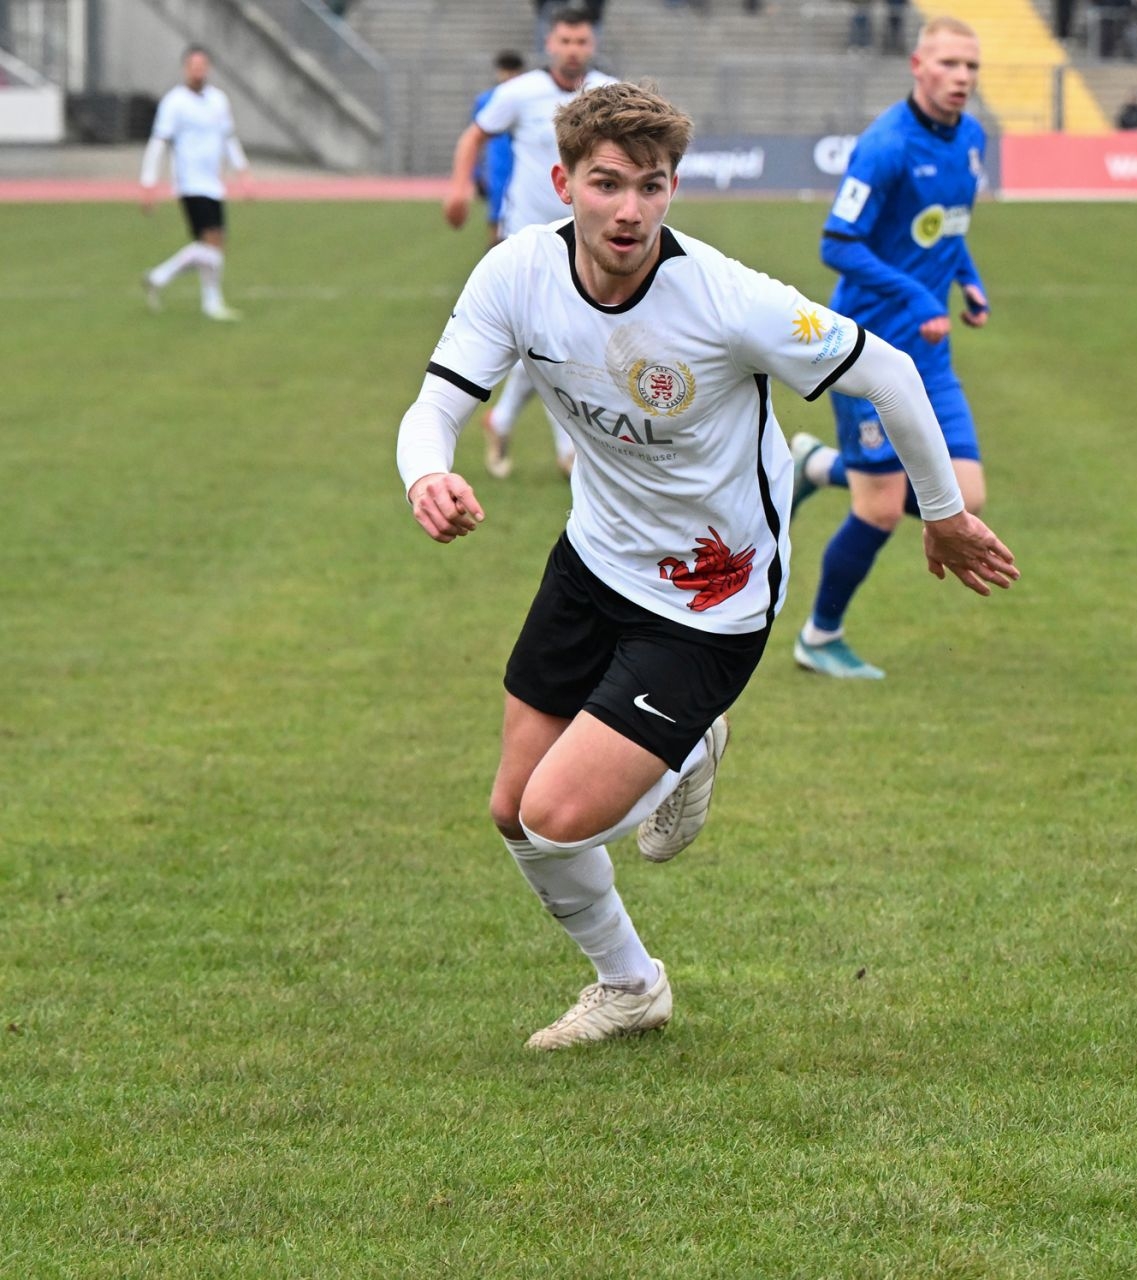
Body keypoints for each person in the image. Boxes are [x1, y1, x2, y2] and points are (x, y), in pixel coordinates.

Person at [395, 81, 1017, 1050]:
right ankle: (631, 985)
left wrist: (940, 516)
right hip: (593, 562)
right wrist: (427, 474)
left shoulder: (726, 299)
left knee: (557, 817)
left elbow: (890, 373)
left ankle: (688, 744)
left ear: (674, 189)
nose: (630, 209)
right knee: (513, 810)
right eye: (607, 184)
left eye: (651, 186)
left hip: (711, 596)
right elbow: (435, 406)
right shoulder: (516, 274)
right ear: (563, 183)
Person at [785, 17, 993, 680]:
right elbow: (837, 242)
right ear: (918, 65)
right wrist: (919, 298)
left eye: (970, 66)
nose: (961, 77)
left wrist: (968, 281)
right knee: (879, 508)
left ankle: (818, 466)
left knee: (965, 498)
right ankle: (819, 636)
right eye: (949, 64)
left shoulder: (972, 138)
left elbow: (946, 229)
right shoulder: (885, 146)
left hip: (929, 355)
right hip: (868, 351)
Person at [444, 7, 616, 481]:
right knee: (555, 336)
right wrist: (459, 188)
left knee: (560, 338)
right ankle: (568, 451)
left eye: (581, 41)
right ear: (549, 43)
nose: (573, 50)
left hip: (587, 236)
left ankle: (502, 422)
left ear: (592, 45)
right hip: (526, 238)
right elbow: (475, 136)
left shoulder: (608, 93)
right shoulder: (520, 92)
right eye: (565, 41)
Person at [139, 45, 251, 322]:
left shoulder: (218, 100)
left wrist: (242, 170)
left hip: (213, 182)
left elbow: (228, 138)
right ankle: (199, 295)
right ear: (185, 69)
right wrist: (149, 182)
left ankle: (164, 280)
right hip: (190, 182)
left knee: (213, 246)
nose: (198, 71)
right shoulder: (174, 102)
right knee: (211, 242)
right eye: (193, 66)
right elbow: (159, 142)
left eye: (202, 66)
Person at [474, 50, 527, 246]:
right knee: (496, 211)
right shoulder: (486, 100)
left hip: (521, 161)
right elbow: (475, 138)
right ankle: (494, 249)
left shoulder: (527, 98)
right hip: (497, 163)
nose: (508, 76)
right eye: (505, 71)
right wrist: (475, 174)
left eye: (513, 71)